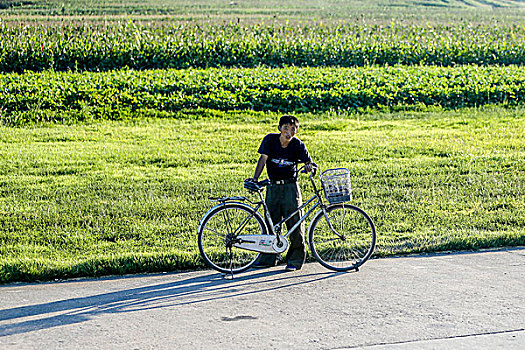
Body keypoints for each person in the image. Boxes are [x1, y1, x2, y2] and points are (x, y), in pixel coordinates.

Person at [246, 115, 315, 271]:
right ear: (279, 129)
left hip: (291, 188)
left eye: (293, 129)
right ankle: (268, 258)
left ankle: (295, 260)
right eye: (286, 128)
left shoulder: (298, 145)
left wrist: (310, 167)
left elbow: (308, 162)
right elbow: (263, 159)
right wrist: (255, 178)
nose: (289, 132)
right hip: (273, 187)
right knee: (271, 224)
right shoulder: (270, 140)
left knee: (295, 225)